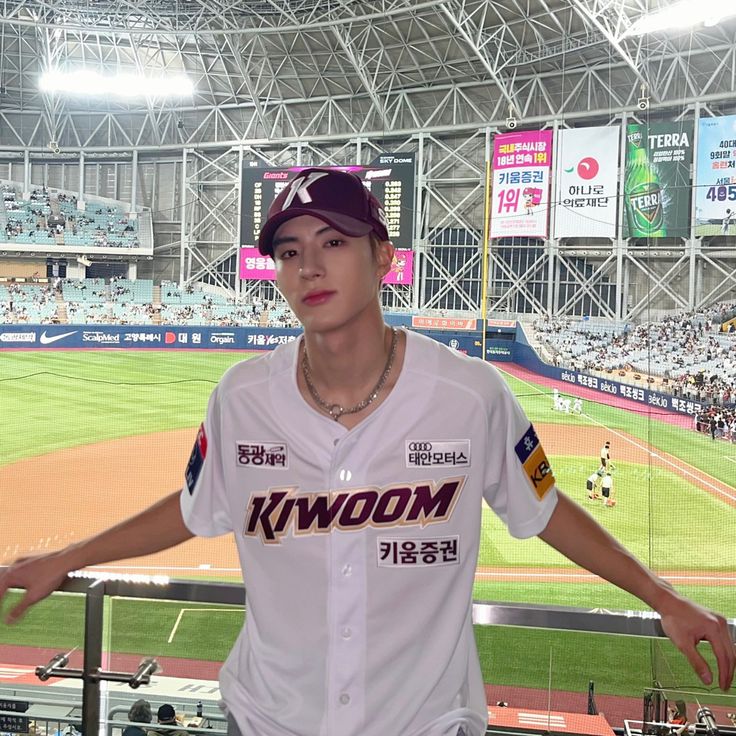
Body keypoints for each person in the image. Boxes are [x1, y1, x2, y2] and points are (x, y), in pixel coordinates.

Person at [0, 168, 734, 736]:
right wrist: (64, 557)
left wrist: (661, 598)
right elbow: (196, 508)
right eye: (289, 252)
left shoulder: (470, 394)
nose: (308, 267)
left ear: (382, 255)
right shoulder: (241, 396)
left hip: (424, 721)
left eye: (332, 243)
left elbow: (542, 510)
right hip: (269, 717)